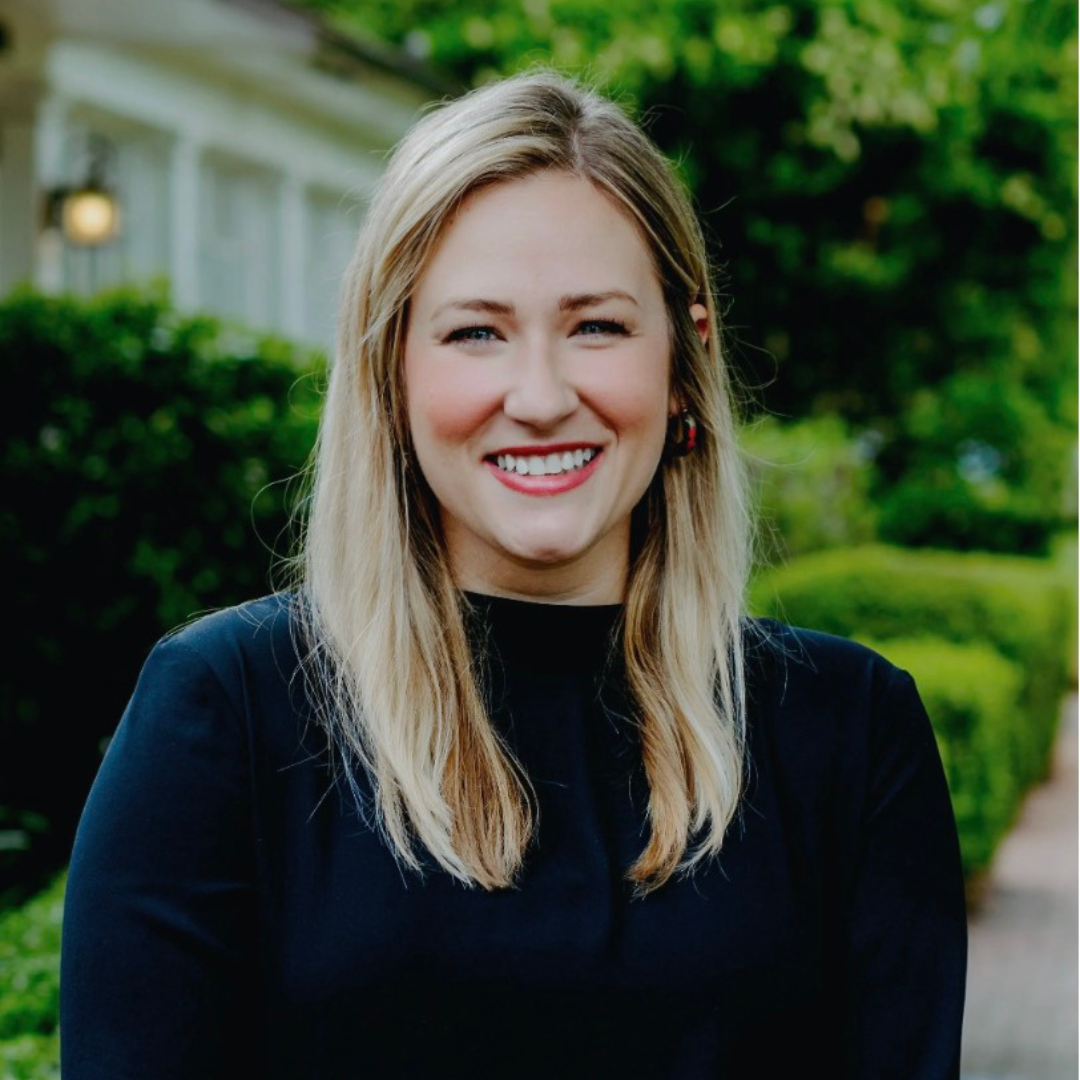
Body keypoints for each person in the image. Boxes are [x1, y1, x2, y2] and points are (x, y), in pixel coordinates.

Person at [60, 71, 966, 1078]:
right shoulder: (227, 714)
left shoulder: (848, 733)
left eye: (597, 326)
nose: (538, 397)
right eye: (476, 332)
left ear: (683, 361)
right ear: (389, 371)